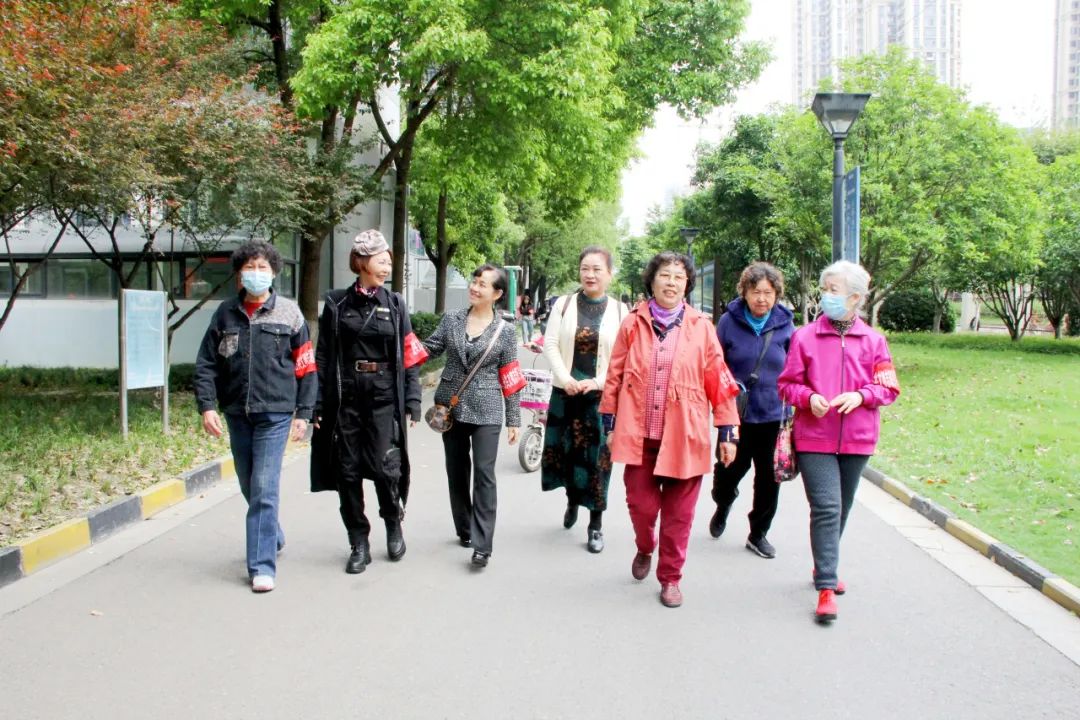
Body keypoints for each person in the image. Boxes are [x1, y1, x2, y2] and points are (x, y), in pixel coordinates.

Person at [599, 251, 740, 608]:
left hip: (685, 438)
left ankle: (671, 577)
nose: (672, 282)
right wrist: (609, 422)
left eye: (679, 277)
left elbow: (719, 379)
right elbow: (615, 375)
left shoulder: (701, 327)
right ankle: (645, 546)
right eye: (665, 275)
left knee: (679, 517)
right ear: (652, 280)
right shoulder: (632, 324)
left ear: (687, 284)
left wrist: (727, 430)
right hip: (639, 436)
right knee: (641, 506)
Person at [777, 260, 900, 624]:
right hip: (814, 437)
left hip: (858, 439)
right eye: (825, 289)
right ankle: (826, 587)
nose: (826, 296)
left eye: (834, 290)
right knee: (827, 508)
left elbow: (889, 388)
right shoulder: (805, 337)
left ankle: (823, 566)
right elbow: (787, 384)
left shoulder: (874, 341)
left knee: (841, 508)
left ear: (855, 298)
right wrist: (808, 397)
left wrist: (862, 396)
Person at [194, 239, 316, 594]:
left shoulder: (290, 314)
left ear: (274, 273)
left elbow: (306, 367)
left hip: (275, 413)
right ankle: (271, 533)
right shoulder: (225, 314)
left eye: (263, 267)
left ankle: (262, 566)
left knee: (264, 485)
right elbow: (206, 363)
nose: (256, 273)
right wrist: (207, 405)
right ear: (239, 274)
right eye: (250, 267)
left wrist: (304, 413)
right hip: (237, 412)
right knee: (249, 483)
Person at [309, 230, 424, 575]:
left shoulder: (395, 304)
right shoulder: (336, 303)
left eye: (389, 260)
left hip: (384, 396)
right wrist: (316, 402)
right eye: (380, 260)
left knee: (386, 467)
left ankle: (392, 521)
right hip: (346, 397)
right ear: (361, 263)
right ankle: (358, 541)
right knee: (347, 472)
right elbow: (323, 356)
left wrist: (413, 398)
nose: (387, 266)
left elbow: (410, 355)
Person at [423, 264, 524, 568]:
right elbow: (430, 348)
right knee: (456, 471)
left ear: (497, 294)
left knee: (484, 474)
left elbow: (510, 375)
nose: (475, 288)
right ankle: (465, 528)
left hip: (488, 408)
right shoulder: (452, 319)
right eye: (474, 281)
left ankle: (483, 544)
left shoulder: (505, 331)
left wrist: (514, 420)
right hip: (450, 407)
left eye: (483, 284)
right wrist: (399, 350)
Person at [540, 246, 628, 553]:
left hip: (600, 400)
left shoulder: (621, 311)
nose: (590, 275)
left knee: (598, 461)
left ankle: (595, 524)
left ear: (609, 274)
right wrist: (566, 379)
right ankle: (572, 501)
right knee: (566, 454)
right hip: (565, 395)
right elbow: (550, 343)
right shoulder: (563, 305)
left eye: (597, 269)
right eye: (585, 269)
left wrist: (597, 381)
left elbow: (622, 355)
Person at [708, 262, 795, 559]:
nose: (761, 298)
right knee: (726, 473)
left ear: (776, 294)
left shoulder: (785, 324)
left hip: (774, 415)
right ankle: (723, 502)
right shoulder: (728, 322)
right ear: (744, 292)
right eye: (756, 291)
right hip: (737, 415)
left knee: (769, 480)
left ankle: (758, 533)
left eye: (768, 293)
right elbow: (715, 363)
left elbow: (795, 366)